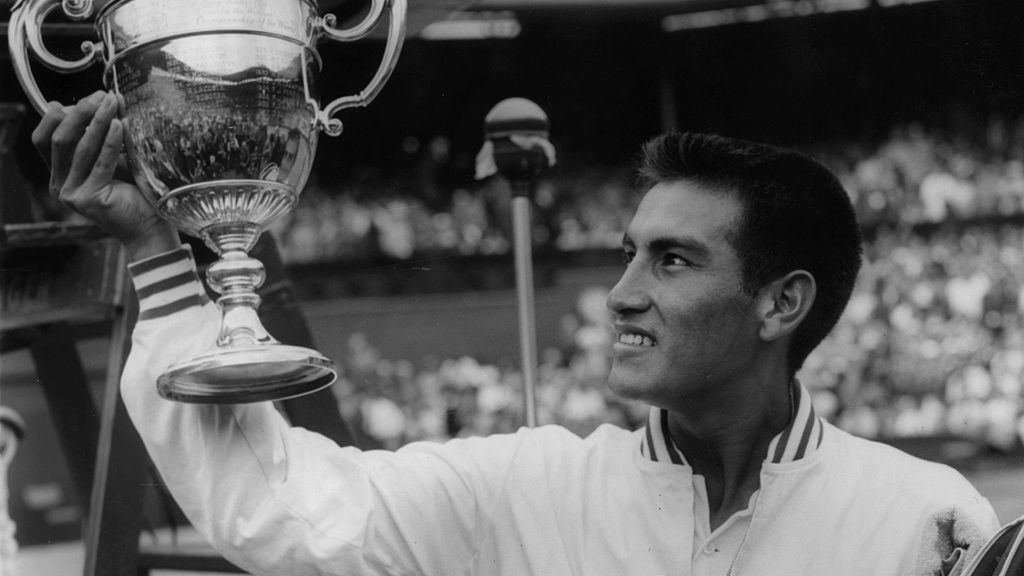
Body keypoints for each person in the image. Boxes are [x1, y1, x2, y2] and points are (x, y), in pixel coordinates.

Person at [36, 91, 1001, 575]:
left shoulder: (925, 520)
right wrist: (159, 257)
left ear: (780, 304)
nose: (620, 293)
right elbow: (277, 511)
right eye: (627, 254)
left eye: (671, 261)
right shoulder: (529, 484)